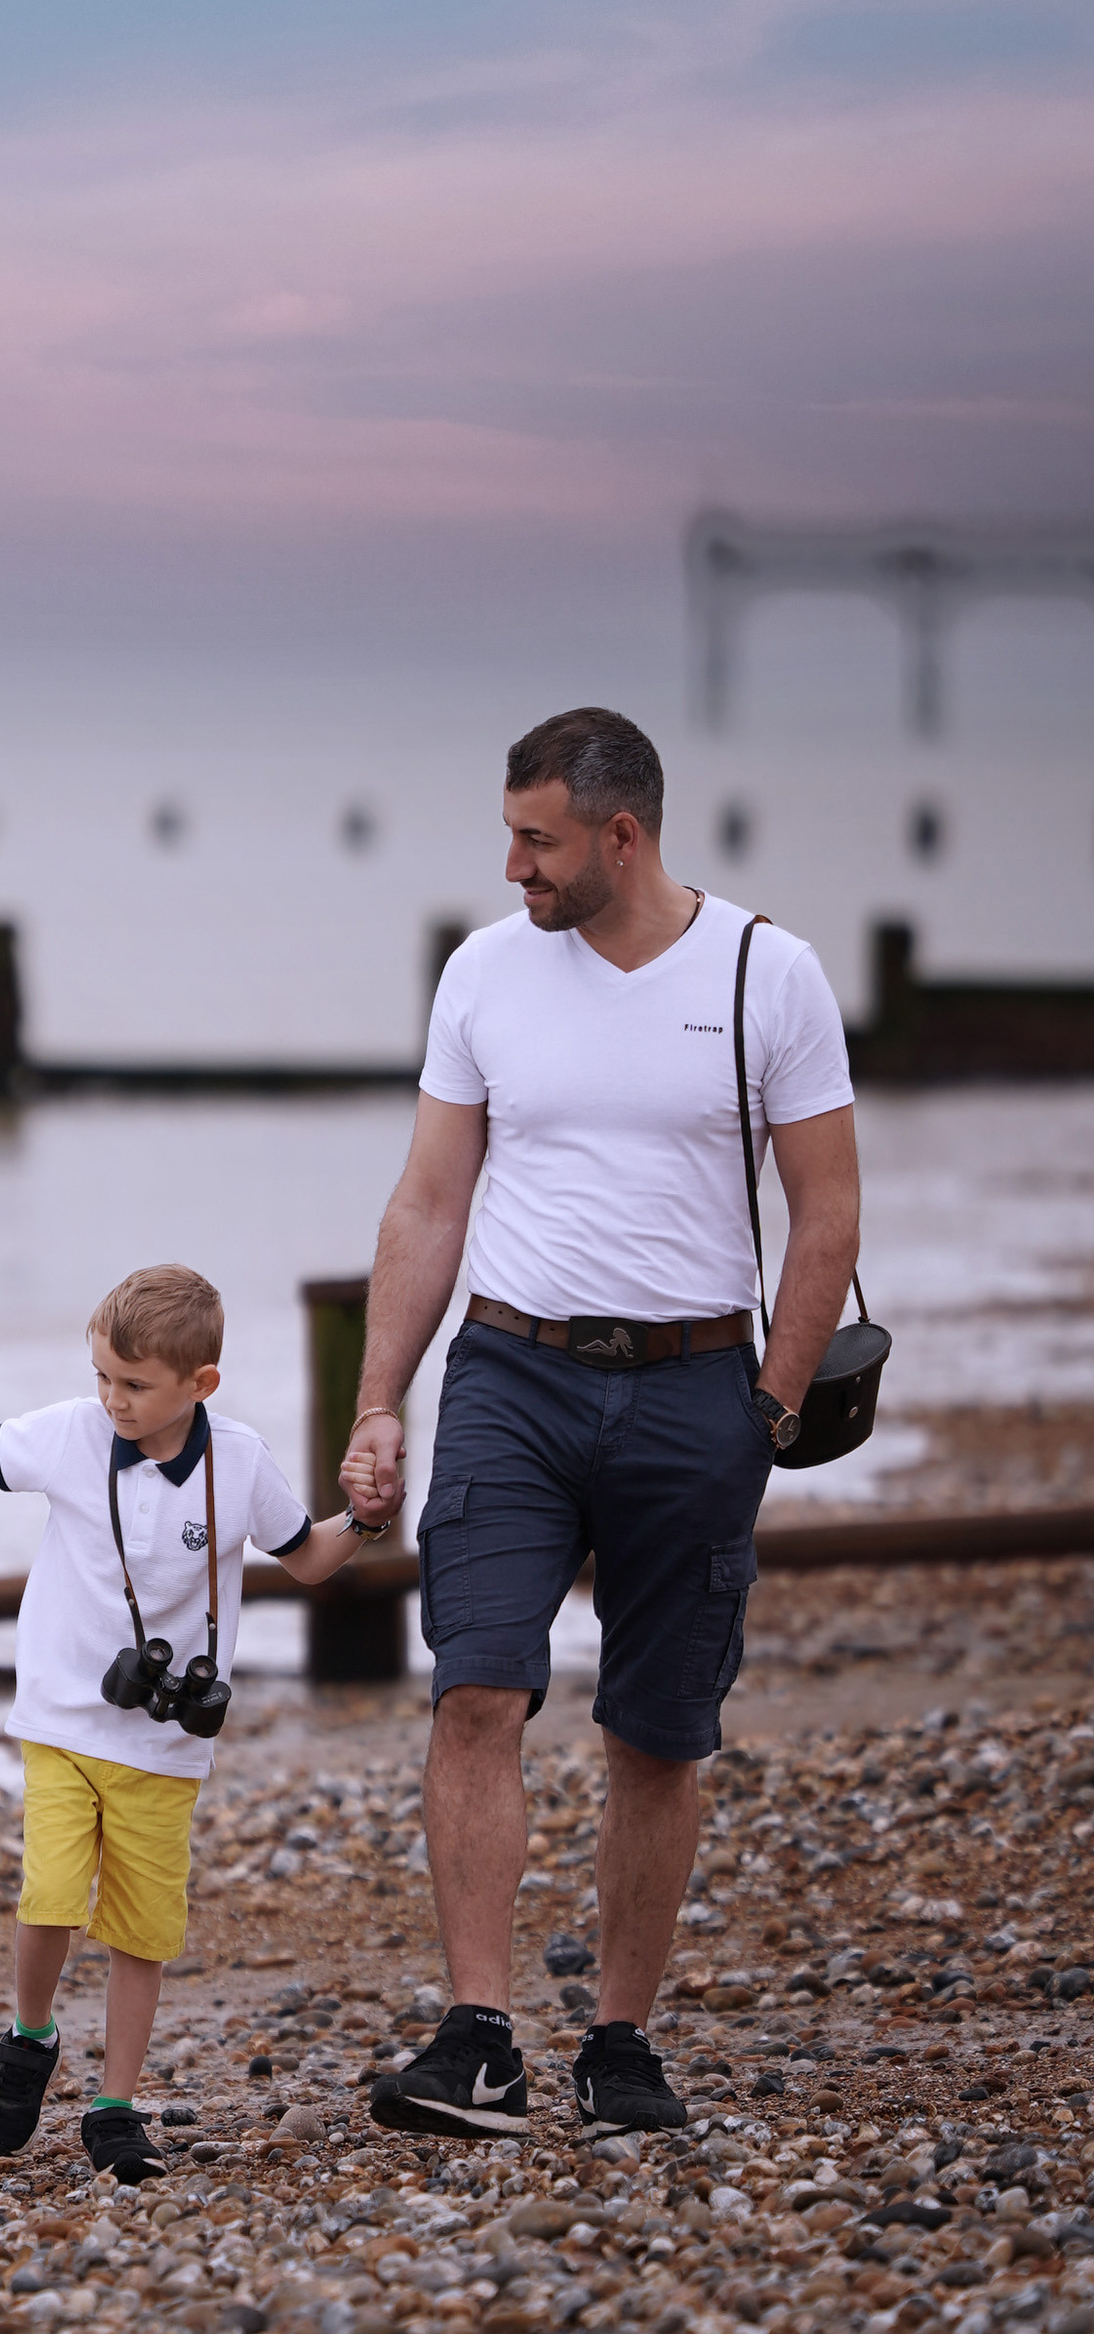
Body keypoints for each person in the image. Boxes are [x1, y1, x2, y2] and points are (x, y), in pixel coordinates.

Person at [347, 707, 859, 2142]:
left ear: (618, 836)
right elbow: (428, 1203)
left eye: (536, 839)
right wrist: (381, 1401)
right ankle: (479, 2035)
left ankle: (620, 2042)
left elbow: (827, 1211)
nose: (513, 865)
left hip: (701, 1389)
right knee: (478, 1687)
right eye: (510, 833)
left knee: (658, 1729)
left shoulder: (771, 973)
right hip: (512, 1377)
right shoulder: (485, 971)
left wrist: (762, 1415)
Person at [0, 1264, 375, 2183]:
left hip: (167, 1745)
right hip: (60, 1720)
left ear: (200, 1383)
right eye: (102, 1376)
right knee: (52, 1895)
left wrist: (368, 1518)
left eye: (134, 1385)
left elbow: (310, 1560)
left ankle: (114, 2107)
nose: (112, 1400)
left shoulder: (240, 1461)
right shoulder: (71, 1435)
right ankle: (30, 2036)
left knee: (142, 1929)